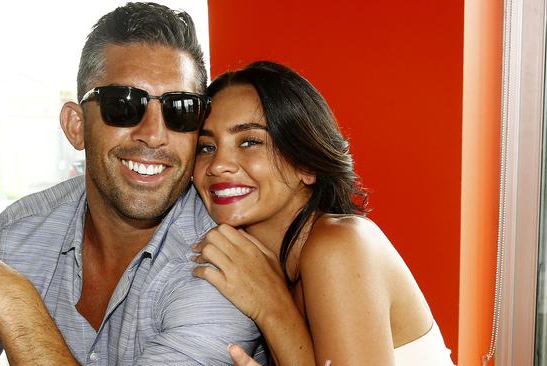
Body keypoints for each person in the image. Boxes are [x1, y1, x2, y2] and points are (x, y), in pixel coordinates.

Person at [0, 3, 266, 365]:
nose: (154, 135)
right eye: (123, 104)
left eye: (180, 109)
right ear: (76, 126)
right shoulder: (17, 234)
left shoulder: (224, 267)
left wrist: (15, 301)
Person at [190, 61, 455, 365]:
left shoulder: (339, 245)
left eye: (250, 142)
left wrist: (271, 307)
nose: (218, 164)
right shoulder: (253, 262)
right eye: (206, 147)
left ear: (306, 164)